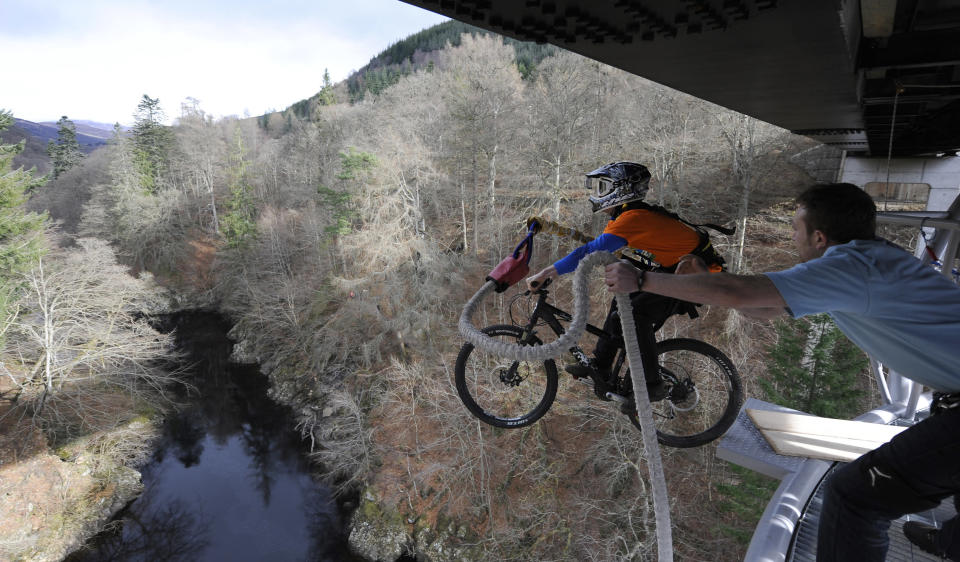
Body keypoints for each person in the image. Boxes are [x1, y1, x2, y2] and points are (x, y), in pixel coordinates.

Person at [603, 182, 960, 561]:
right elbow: (765, 307)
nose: (792, 238)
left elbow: (741, 293)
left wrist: (643, 280)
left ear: (819, 237)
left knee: (855, 496)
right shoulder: (866, 262)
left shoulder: (852, 268)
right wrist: (696, 280)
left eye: (794, 229)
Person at [525, 161, 726, 403]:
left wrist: (547, 272)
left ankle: (653, 384)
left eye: (602, 187)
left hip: (698, 279)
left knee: (637, 312)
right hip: (678, 273)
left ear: (621, 190)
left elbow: (589, 252)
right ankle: (601, 365)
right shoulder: (629, 217)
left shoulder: (633, 219)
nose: (596, 194)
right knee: (622, 301)